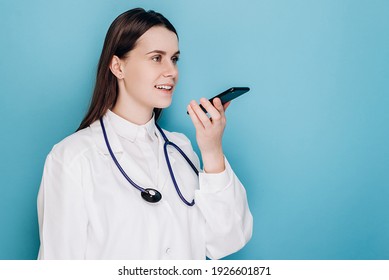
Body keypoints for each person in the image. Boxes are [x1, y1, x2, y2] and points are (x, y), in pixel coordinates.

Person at [37, 8, 252, 260]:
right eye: (156, 58)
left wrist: (212, 150)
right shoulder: (72, 157)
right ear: (118, 66)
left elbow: (228, 240)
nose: (171, 71)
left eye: (174, 59)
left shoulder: (181, 148)